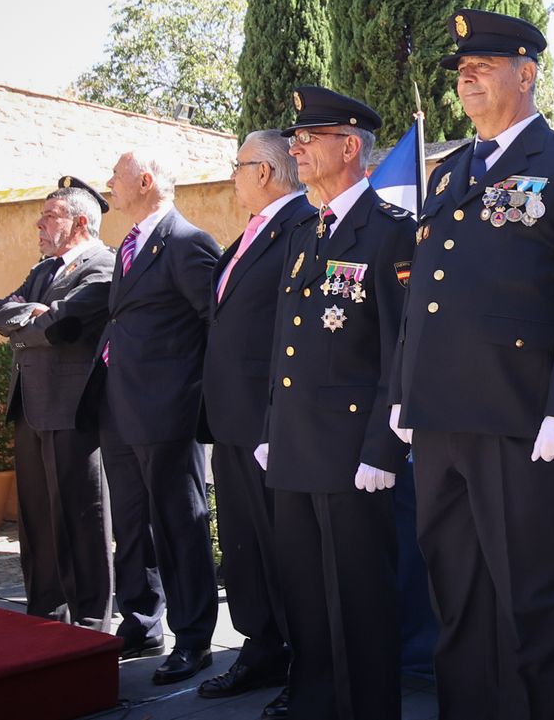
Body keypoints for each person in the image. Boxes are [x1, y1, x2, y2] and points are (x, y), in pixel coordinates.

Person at [388, 9, 554, 720]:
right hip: (439, 422)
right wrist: (406, 388)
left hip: (521, 422)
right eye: (460, 69)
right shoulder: (453, 170)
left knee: (529, 605)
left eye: (482, 66)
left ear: (526, 73)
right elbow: (427, 292)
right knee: (456, 602)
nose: (466, 78)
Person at [259, 87, 415, 720]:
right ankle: (314, 704)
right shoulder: (303, 228)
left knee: (359, 600)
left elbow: (400, 350)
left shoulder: (389, 232)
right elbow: (284, 341)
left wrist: (383, 448)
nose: (296, 146)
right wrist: (273, 424)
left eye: (309, 137)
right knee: (304, 593)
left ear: (350, 147)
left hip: (354, 456)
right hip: (296, 445)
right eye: (294, 137)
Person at [87, 149, 220, 683]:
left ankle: (194, 639)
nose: (108, 185)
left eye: (115, 177)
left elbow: (217, 325)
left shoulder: (187, 243)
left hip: (168, 412)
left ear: (144, 181)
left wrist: (194, 398)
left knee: (179, 525)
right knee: (132, 523)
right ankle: (142, 621)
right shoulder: (129, 243)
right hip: (120, 408)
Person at [196, 131, 314, 714]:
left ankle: (304, 661)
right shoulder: (251, 231)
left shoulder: (302, 225)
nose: (233, 176)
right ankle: (261, 645)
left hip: (272, 422)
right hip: (232, 420)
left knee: (284, 547)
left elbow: (294, 331)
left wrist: (276, 418)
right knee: (244, 545)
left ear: (264, 172)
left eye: (238, 165)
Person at [0, 176, 115, 630]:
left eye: (49, 215)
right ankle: (44, 612)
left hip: (72, 408)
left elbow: (63, 326)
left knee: (81, 516)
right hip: (30, 406)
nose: (38, 223)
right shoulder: (43, 271)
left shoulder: (103, 265)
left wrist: (40, 318)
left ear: (80, 221)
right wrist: (32, 315)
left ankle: (90, 619)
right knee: (36, 519)